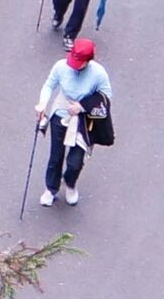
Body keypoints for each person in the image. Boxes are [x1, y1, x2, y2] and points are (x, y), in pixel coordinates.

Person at [34, 35, 112, 206]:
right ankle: (51, 188)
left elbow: (106, 96)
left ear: (88, 61)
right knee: (56, 156)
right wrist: (42, 104)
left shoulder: (98, 73)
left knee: (75, 161)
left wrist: (83, 106)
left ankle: (70, 184)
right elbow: (49, 85)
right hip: (60, 113)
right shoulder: (60, 67)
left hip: (82, 120)